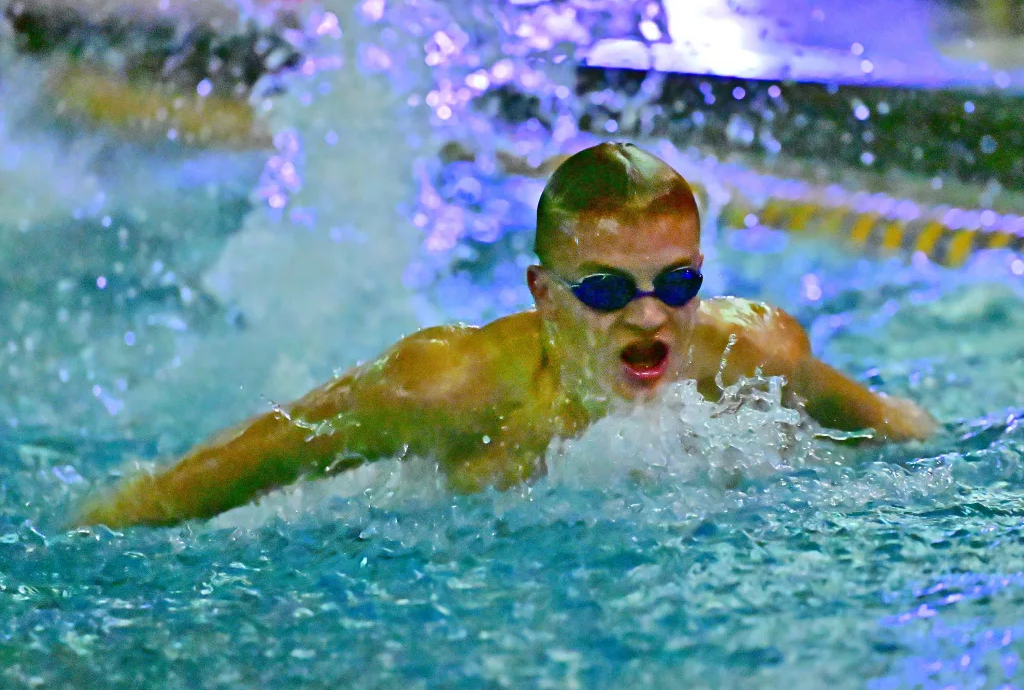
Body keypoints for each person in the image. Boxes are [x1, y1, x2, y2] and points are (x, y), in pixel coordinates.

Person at [74, 142, 937, 528]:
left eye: (677, 284)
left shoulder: (751, 354)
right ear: (544, 293)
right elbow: (248, 463)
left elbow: (892, 430)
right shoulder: (447, 386)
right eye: (605, 289)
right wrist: (108, 524)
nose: (648, 315)